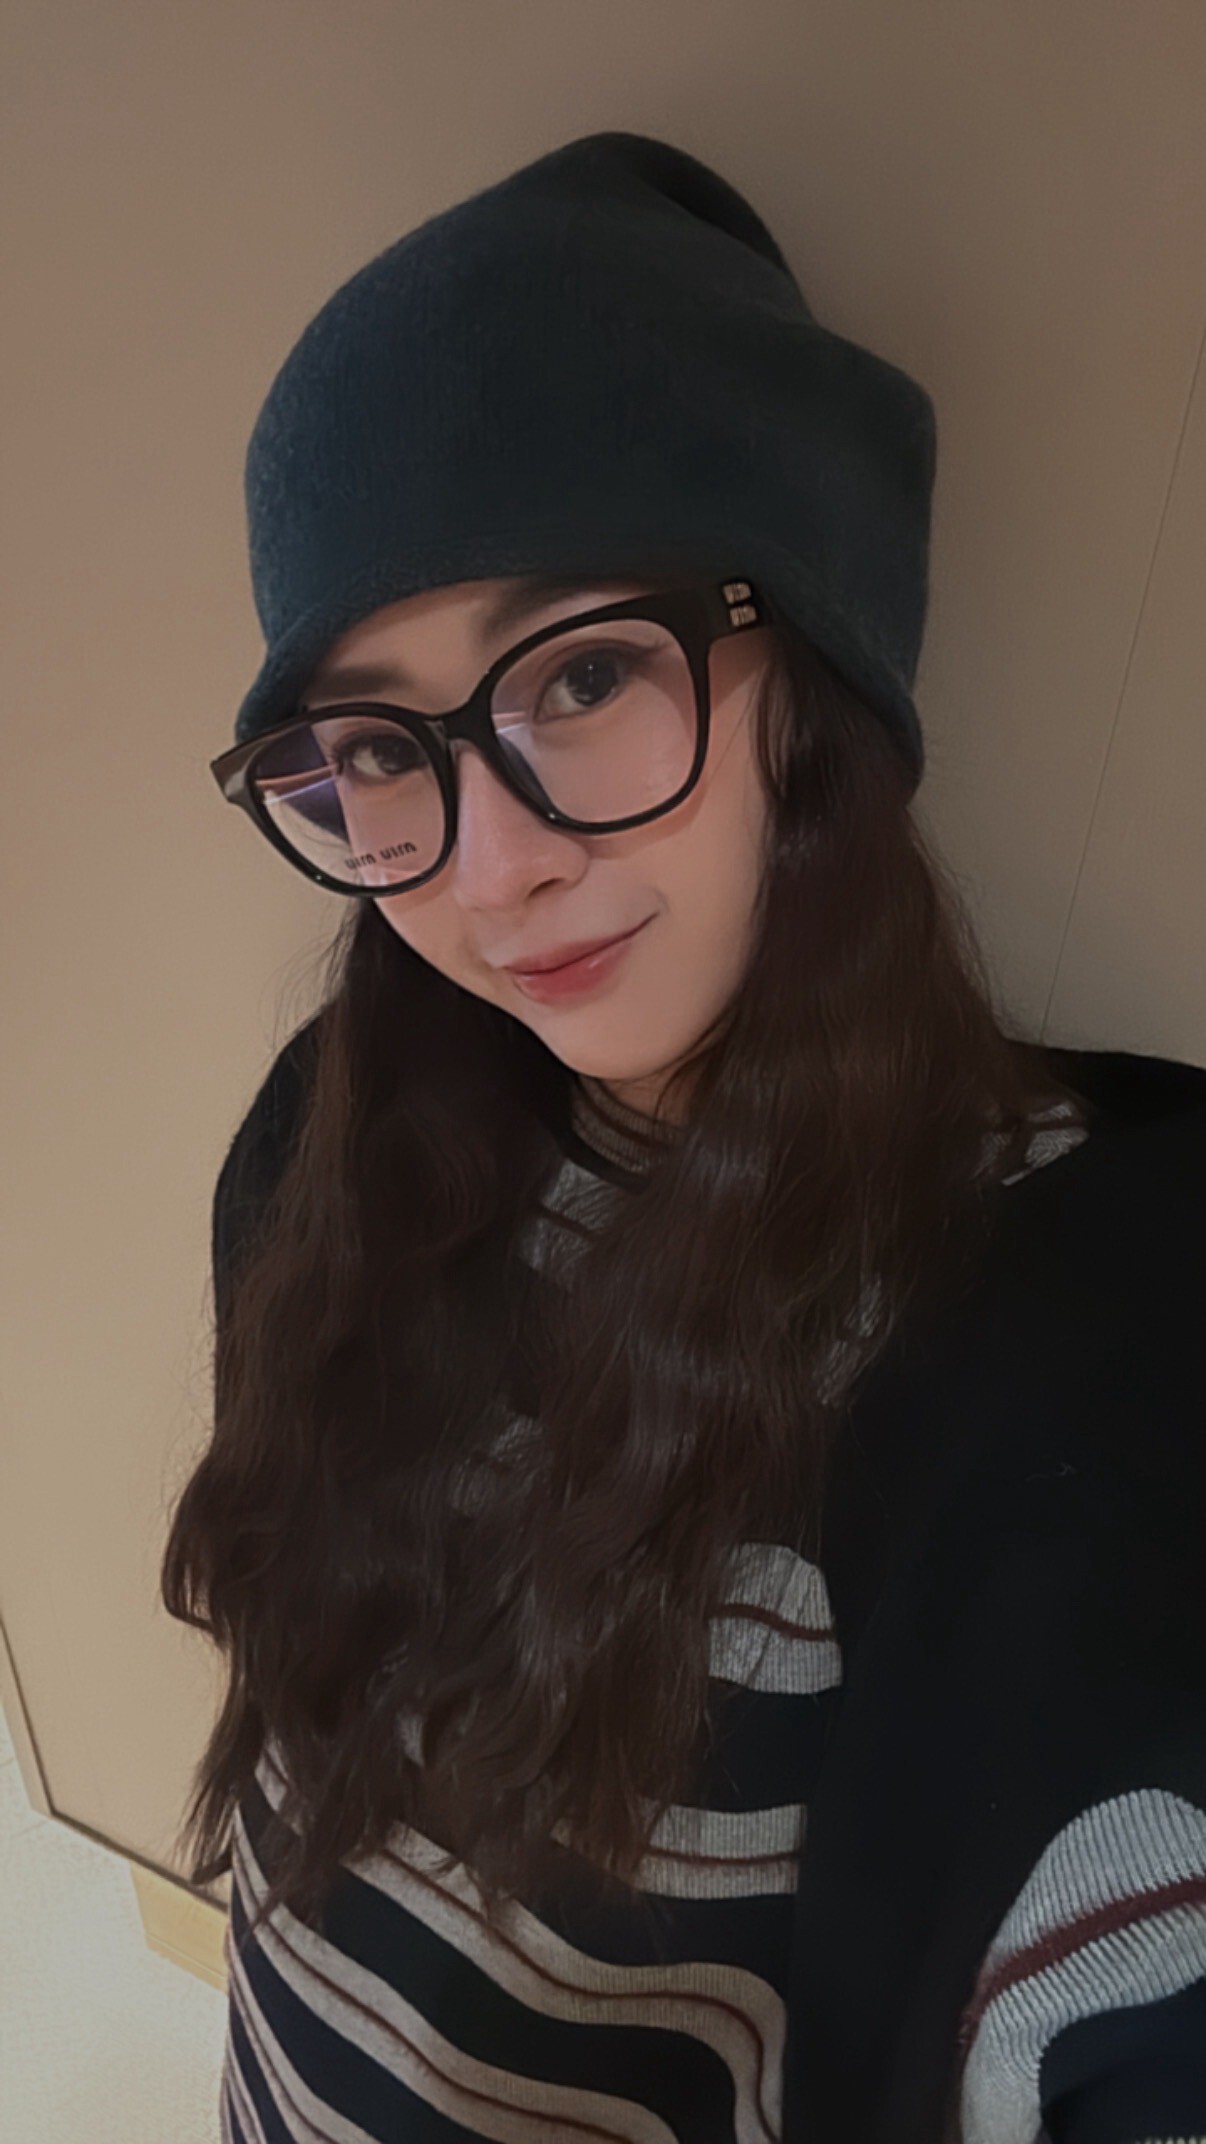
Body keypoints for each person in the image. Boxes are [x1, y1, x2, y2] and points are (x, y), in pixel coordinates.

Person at [161, 133, 1206, 2143]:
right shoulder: (330, 1150)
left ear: (809, 672)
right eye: (373, 747)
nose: (492, 866)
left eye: (580, 675)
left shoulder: (1024, 1358)